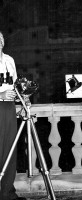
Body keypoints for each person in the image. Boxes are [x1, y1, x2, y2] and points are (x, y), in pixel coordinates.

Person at [0, 32, 26, 200]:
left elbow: (15, 85)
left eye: (1, 39)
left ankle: (7, 193)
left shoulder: (9, 60)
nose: (0, 42)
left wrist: (22, 95)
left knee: (9, 149)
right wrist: (1, 95)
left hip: (8, 109)